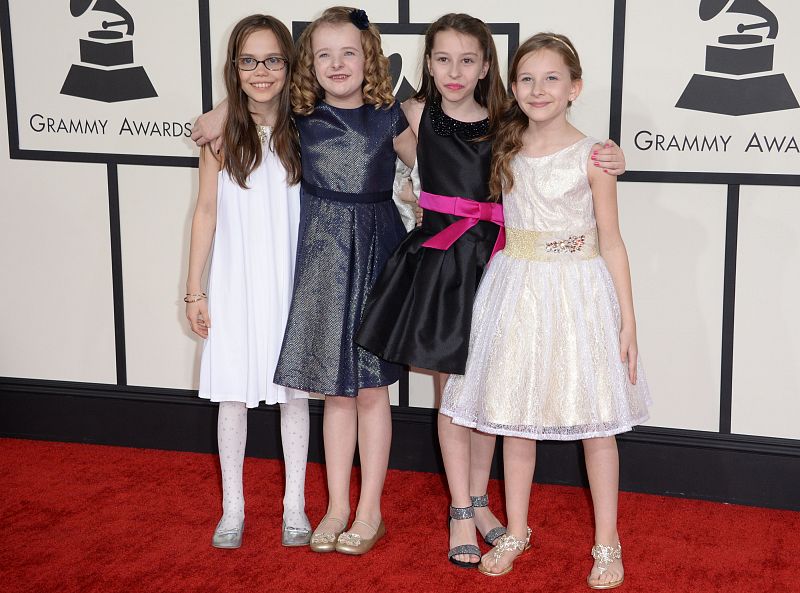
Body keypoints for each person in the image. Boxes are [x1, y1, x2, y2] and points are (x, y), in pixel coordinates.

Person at [355, 14, 627, 568]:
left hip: (503, 265)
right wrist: (223, 115)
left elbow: (559, 157)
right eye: (442, 59)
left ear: (487, 67)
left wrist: (616, 156)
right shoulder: (409, 114)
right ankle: (459, 508)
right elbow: (331, 106)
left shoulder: (509, 119)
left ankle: (482, 500)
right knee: (455, 396)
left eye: (468, 60)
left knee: (492, 395)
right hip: (443, 269)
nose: (454, 72)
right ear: (426, 63)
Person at [439, 33, 650, 586]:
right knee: (515, 419)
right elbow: (429, 116)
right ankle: (517, 527)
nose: (538, 89)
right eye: (526, 79)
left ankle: (607, 542)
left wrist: (627, 319)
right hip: (516, 288)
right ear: (512, 86)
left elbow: (612, 241)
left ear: (575, 87)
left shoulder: (594, 155)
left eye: (552, 78)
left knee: (597, 426)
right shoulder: (503, 145)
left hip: (579, 291)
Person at [185, 15, 312, 549]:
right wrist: (195, 289)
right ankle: (232, 508)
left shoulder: (308, 127)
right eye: (248, 61)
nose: (261, 72)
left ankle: (296, 508)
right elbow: (206, 212)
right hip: (235, 281)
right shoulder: (219, 136)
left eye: (272, 60)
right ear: (233, 68)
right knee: (232, 397)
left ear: (289, 65)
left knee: (295, 396)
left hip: (291, 281)